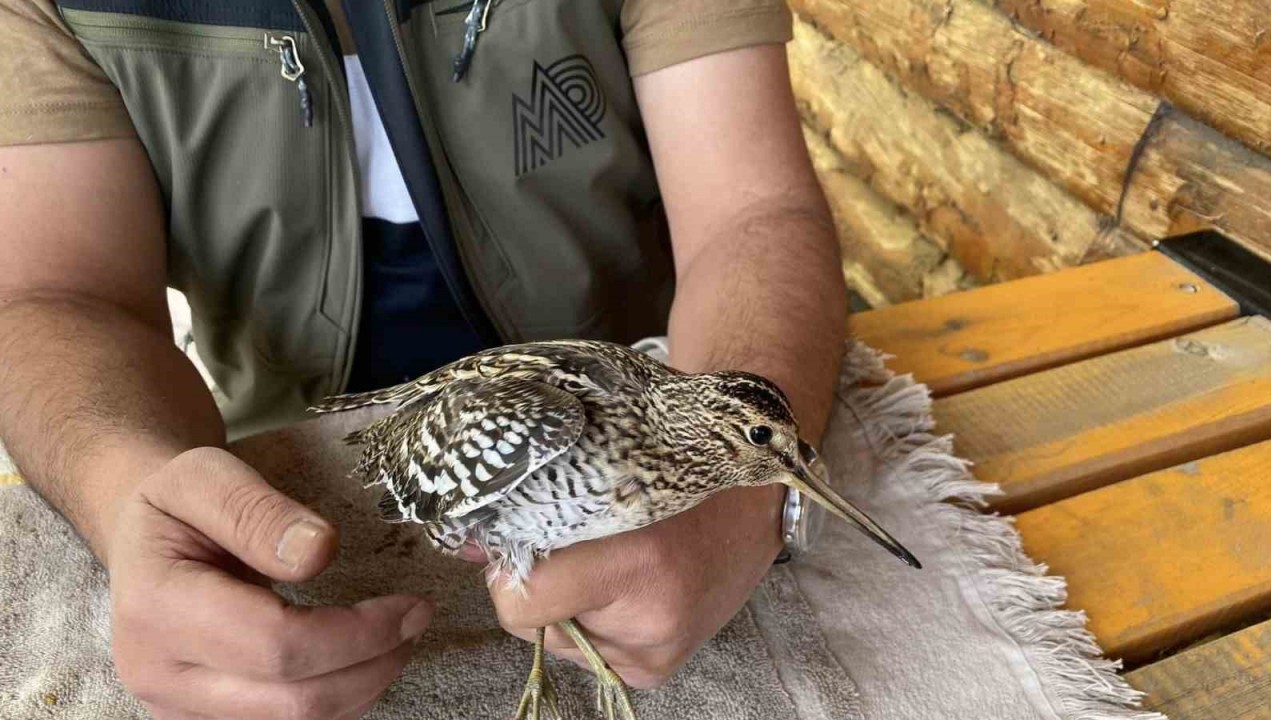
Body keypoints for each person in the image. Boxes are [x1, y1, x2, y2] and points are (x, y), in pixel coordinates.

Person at [0, 0, 845, 717]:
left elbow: (754, 209)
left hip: (647, 406)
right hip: (281, 469)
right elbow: (54, 295)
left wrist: (749, 501)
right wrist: (126, 496)